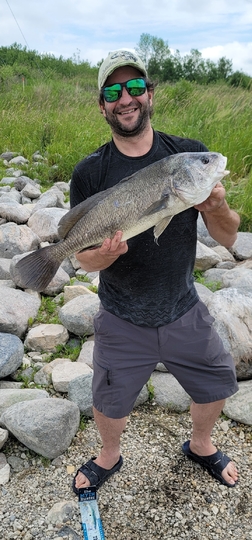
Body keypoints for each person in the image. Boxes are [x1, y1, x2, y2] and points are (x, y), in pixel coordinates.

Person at [70, 49, 240, 494]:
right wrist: (102, 257)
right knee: (109, 399)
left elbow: (228, 238)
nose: (125, 98)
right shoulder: (90, 172)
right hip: (121, 313)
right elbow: (82, 258)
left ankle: (201, 444)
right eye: (113, 91)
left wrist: (218, 206)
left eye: (134, 88)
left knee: (216, 380)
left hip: (183, 306)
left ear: (149, 94)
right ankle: (109, 455)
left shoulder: (184, 155)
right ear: (102, 104)